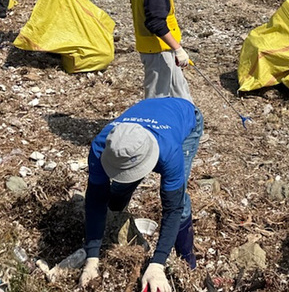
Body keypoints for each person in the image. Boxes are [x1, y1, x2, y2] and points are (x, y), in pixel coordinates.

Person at [79, 96, 203, 290]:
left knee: (181, 200)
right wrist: (92, 258)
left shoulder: (170, 152)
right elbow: (95, 201)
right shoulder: (101, 147)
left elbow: (173, 208)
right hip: (149, 110)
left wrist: (157, 264)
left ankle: (187, 259)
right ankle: (114, 225)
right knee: (120, 187)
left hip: (184, 116)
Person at [131, 0, 192, 100]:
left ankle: (189, 116)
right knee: (158, 99)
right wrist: (178, 49)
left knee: (181, 95)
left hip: (160, 48)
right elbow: (155, 23)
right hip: (158, 50)